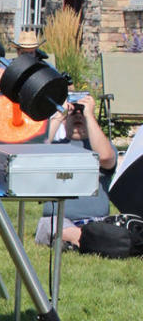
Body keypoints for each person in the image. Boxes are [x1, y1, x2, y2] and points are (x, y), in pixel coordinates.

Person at [35, 93, 116, 246]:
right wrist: (60, 114)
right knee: (50, 226)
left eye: (82, 113)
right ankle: (84, 240)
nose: (78, 116)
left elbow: (105, 158)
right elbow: (30, 154)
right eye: (74, 113)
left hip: (98, 221)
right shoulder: (52, 147)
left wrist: (89, 115)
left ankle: (81, 241)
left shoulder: (103, 148)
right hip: (58, 221)